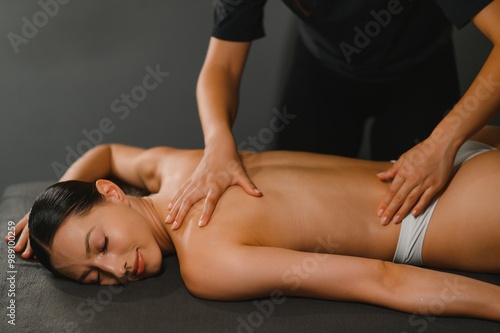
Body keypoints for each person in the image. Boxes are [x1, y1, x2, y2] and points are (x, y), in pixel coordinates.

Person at [7, 126, 500, 321]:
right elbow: (107, 153)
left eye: (101, 244)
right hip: (455, 158)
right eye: (94, 276)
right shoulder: (179, 166)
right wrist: (55, 207)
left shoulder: (208, 264)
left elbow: (379, 277)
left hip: (450, 215)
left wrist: (45, 207)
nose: (116, 270)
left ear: (111, 191)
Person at [165, 0, 500, 233]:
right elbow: (221, 64)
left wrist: (443, 142)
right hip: (321, 70)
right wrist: (217, 140)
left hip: (420, 71)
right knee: (293, 212)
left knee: (418, 215)